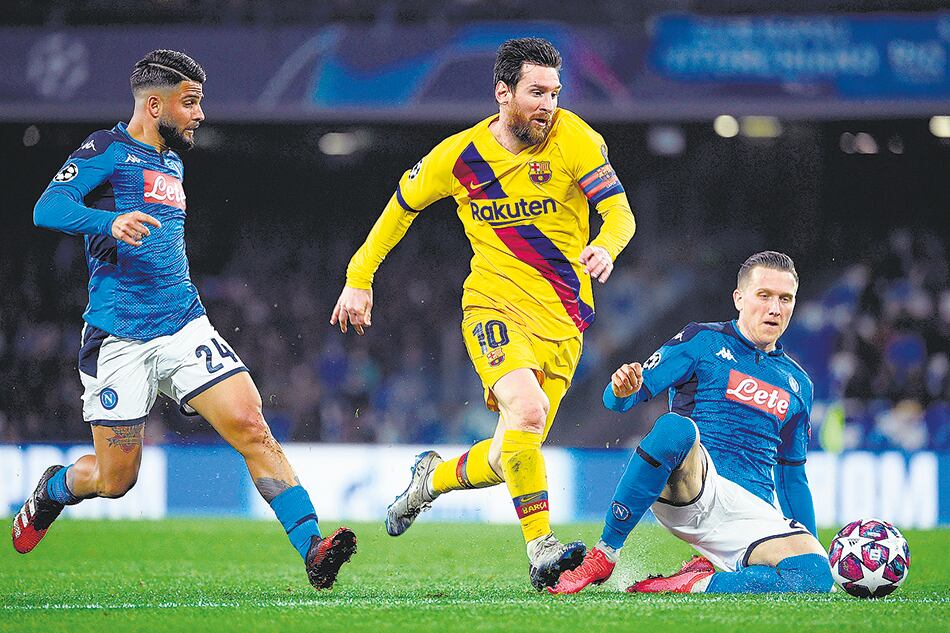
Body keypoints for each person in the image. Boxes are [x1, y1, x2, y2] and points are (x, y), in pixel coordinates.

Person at [11, 49, 356, 590]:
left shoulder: (172, 161)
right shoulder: (106, 150)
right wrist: (109, 219)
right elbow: (46, 208)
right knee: (114, 479)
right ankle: (53, 490)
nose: (199, 114)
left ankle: (312, 548)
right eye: (190, 103)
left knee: (252, 426)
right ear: (155, 103)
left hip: (183, 325)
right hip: (118, 339)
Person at [330, 37, 635, 590]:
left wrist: (606, 247)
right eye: (536, 92)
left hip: (564, 321)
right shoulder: (459, 157)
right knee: (526, 407)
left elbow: (619, 214)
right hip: (492, 305)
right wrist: (358, 277)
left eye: (555, 92)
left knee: (510, 449)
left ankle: (430, 481)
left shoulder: (577, 139)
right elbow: (400, 210)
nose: (549, 103)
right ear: (503, 92)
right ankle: (541, 547)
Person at [551, 251, 834, 594]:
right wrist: (621, 390)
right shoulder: (702, 341)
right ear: (739, 298)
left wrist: (809, 543)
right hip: (695, 484)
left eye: (785, 298)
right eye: (764, 296)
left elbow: (792, 475)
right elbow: (618, 402)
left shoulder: (798, 383)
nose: (775, 308)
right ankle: (605, 554)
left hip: (752, 513)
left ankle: (695, 583)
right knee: (675, 427)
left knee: (815, 577)